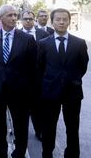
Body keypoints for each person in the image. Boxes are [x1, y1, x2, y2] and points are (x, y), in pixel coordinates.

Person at [0, 5, 37, 158]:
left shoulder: (27, 39)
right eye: (10, 15)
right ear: (0, 18)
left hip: (20, 90)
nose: (14, 18)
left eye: (15, 15)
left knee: (20, 124)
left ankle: (19, 152)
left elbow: (33, 66)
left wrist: (31, 91)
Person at [38, 8, 89, 158]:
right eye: (58, 19)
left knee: (72, 128)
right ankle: (47, 154)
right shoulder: (43, 43)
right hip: (49, 92)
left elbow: (83, 65)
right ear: (52, 21)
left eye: (64, 19)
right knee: (48, 127)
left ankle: (72, 154)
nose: (61, 22)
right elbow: (39, 67)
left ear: (69, 21)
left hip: (72, 92)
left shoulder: (79, 43)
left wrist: (72, 79)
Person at [20, 10, 49, 141]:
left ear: (34, 20)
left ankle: (40, 131)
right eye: (25, 19)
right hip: (21, 78)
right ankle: (20, 135)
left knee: (38, 108)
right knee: (21, 110)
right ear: (21, 20)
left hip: (39, 79)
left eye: (30, 19)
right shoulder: (16, 34)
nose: (28, 21)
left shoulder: (44, 34)